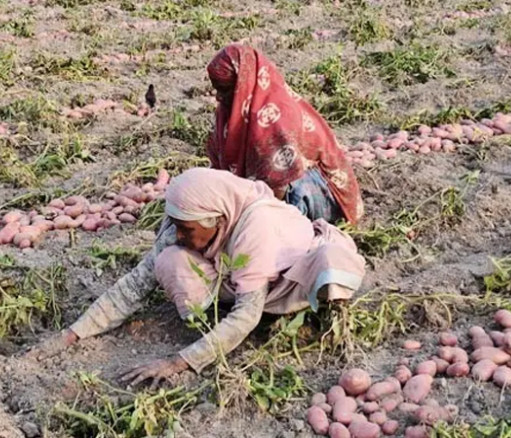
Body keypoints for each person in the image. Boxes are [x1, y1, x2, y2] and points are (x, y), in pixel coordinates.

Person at [30, 168, 365, 386]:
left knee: (328, 267)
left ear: (218, 220)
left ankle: (314, 312)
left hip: (289, 277)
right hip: (238, 275)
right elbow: (132, 287)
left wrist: (180, 361)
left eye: (186, 230)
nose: (178, 235)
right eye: (176, 226)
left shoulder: (256, 227)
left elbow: (247, 315)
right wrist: (71, 335)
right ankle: (216, 320)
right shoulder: (184, 220)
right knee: (170, 260)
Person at [206, 44, 363, 225]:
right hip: (267, 190)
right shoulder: (228, 113)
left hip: (316, 191)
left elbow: (279, 187)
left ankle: (294, 230)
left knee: (291, 193)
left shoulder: (276, 116)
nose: (218, 97)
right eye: (217, 89)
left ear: (243, 84)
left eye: (225, 89)